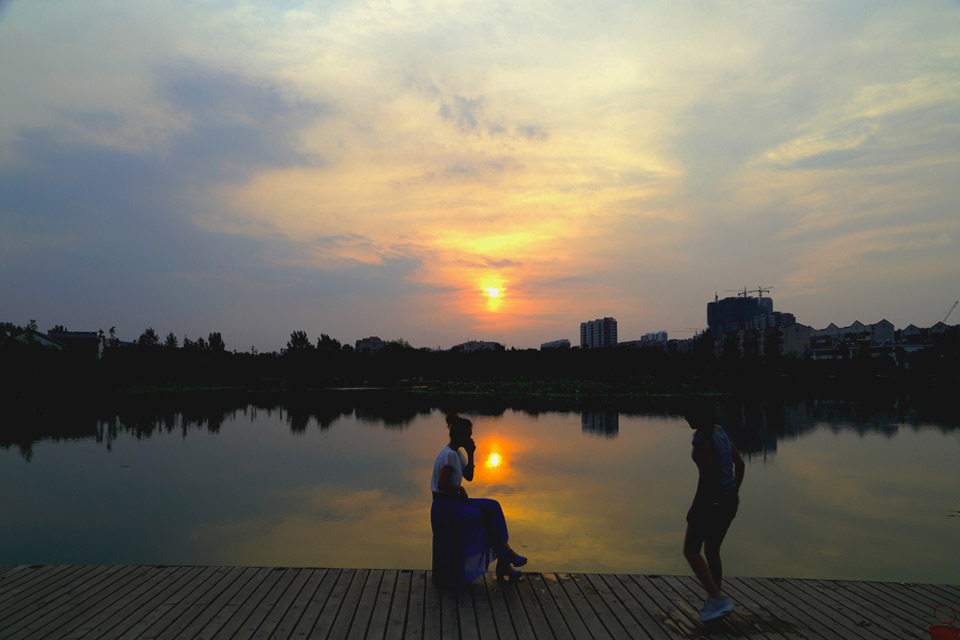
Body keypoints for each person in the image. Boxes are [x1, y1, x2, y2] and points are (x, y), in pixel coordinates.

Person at [430, 413, 527, 587]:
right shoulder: (449, 455)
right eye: (468, 434)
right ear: (459, 435)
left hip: (454, 502)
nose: (470, 438)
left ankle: (505, 556)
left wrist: (471, 453)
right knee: (486, 518)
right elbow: (442, 484)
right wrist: (460, 489)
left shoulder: (456, 453)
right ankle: (506, 559)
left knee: (493, 506)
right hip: (444, 506)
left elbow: (469, 476)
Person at [682, 401, 745, 623]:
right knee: (712, 550)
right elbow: (740, 464)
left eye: (688, 413)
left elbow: (706, 476)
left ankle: (717, 598)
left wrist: (695, 506)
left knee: (690, 550)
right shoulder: (721, 432)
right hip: (728, 500)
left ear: (698, 416)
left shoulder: (702, 439)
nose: (685, 417)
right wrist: (734, 492)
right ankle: (716, 601)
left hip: (712, 501)